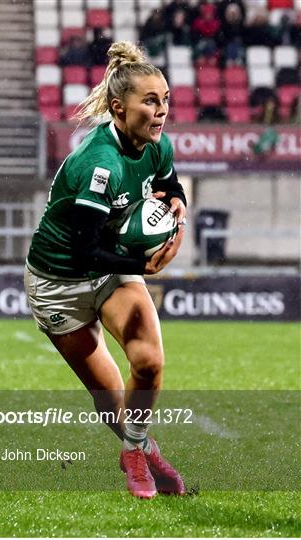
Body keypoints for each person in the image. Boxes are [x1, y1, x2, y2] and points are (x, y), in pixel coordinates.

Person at [24, 41, 187, 499]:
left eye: (166, 99)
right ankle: (144, 449)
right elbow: (85, 249)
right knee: (110, 396)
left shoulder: (156, 144)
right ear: (119, 107)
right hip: (59, 281)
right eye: (151, 101)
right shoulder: (99, 163)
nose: (162, 111)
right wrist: (145, 264)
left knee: (149, 364)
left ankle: (134, 452)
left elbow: (169, 182)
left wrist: (180, 202)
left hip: (109, 267)